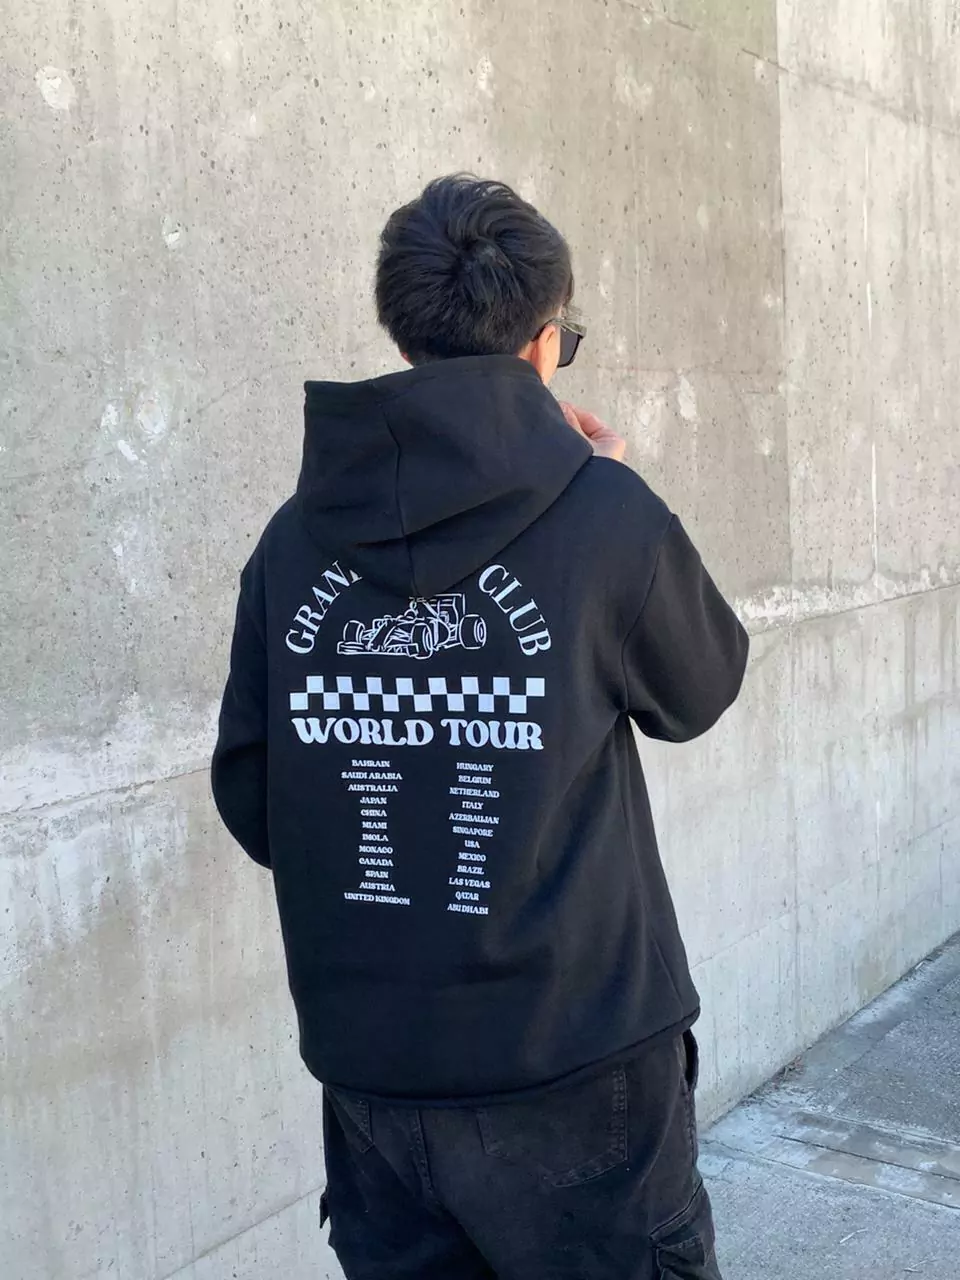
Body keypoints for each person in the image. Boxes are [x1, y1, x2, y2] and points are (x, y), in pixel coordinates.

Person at [212, 174, 748, 1279]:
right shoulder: (603, 512)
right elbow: (701, 688)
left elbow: (256, 797)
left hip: (372, 1069)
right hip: (578, 1058)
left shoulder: (293, 539)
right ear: (544, 343)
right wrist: (610, 505)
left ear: (403, 338)